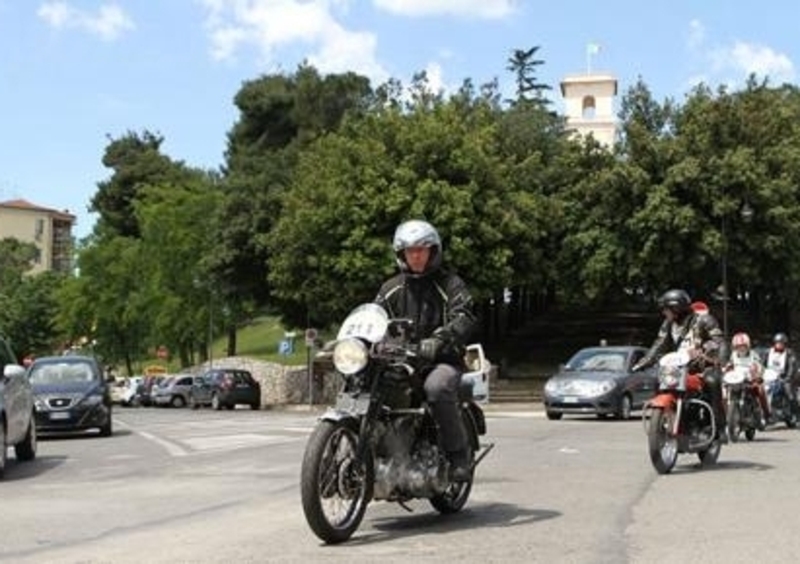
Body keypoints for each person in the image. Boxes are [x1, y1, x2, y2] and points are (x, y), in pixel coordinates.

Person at [374, 219, 478, 481]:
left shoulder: (450, 285)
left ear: (433, 252)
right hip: (402, 360)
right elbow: (373, 318)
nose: (416, 256)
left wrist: (441, 338)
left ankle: (458, 457)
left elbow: (464, 315)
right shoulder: (391, 289)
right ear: (402, 254)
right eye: (410, 251)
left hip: (442, 361)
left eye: (422, 250)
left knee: (436, 387)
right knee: (370, 384)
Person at [632, 289, 729, 441]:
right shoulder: (668, 324)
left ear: (677, 308)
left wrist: (720, 360)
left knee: (712, 382)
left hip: (702, 366)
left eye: (666, 309)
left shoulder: (704, 320)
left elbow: (720, 341)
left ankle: (718, 426)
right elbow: (659, 345)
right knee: (660, 381)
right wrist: (643, 362)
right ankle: (665, 418)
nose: (664, 312)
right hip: (678, 367)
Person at [724, 332, 768, 428]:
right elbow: (729, 366)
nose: (741, 348)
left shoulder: (753, 355)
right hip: (736, 381)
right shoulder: (733, 355)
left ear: (748, 346)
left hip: (750, 380)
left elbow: (760, 366)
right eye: (738, 346)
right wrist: (725, 370)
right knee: (723, 394)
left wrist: (758, 375)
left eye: (743, 346)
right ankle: (725, 418)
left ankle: (765, 415)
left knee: (760, 391)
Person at [763, 332, 799, 418]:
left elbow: (792, 366)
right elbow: (762, 364)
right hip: (769, 377)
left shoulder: (789, 353)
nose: (779, 345)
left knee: (789, 392)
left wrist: (788, 378)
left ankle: (796, 414)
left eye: (781, 343)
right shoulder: (768, 352)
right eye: (777, 343)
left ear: (785, 344)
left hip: (784, 377)